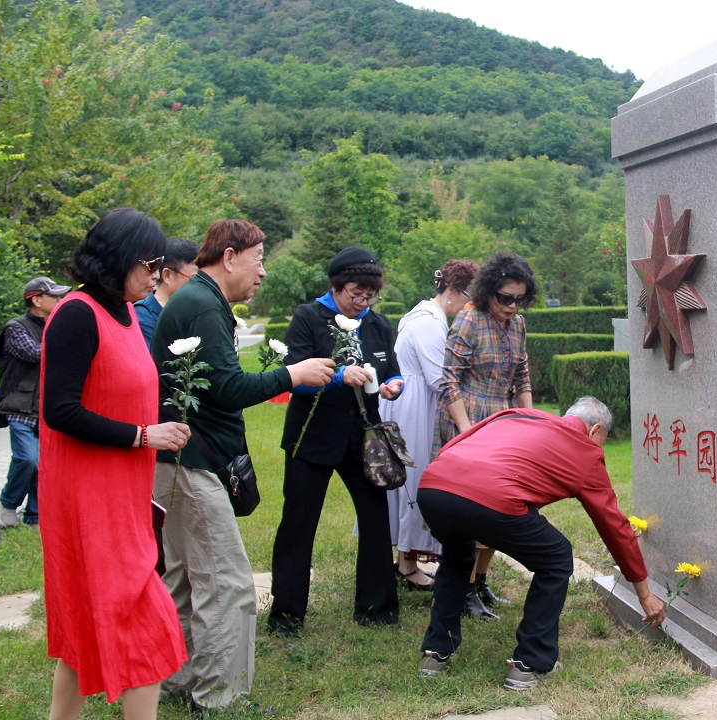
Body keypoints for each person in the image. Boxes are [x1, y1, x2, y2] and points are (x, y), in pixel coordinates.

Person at [150, 219, 335, 715]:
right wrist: (291, 374)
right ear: (229, 257)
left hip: (179, 458)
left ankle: (173, 679)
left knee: (186, 578)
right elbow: (228, 389)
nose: (264, 273)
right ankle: (219, 696)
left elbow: (213, 386)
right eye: (259, 260)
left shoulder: (198, 301)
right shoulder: (204, 305)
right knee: (226, 582)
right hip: (192, 461)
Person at [38, 208, 192, 718]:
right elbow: (60, 411)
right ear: (118, 257)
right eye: (150, 263)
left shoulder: (126, 314)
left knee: (88, 622)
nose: (157, 273)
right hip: (86, 494)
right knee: (146, 618)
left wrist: (164, 424)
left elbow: (123, 392)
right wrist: (143, 436)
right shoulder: (77, 313)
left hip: (123, 492)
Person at [417, 398, 667, 690]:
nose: (601, 449)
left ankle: (435, 653)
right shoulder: (586, 451)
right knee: (558, 557)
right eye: (602, 441)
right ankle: (529, 663)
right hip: (492, 500)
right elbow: (615, 528)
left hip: (434, 486)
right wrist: (644, 592)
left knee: (456, 557)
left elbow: (457, 443)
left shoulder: (517, 414)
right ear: (594, 429)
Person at [268, 246, 404, 635]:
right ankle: (287, 614)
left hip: (364, 437)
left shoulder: (377, 324)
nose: (361, 303)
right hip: (312, 436)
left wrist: (394, 384)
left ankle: (377, 607)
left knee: (376, 518)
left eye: (368, 296)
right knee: (299, 521)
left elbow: (391, 369)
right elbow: (294, 375)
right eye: (354, 295)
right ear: (336, 286)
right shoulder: (309, 318)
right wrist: (338, 375)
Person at [434, 252, 537, 619]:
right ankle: (461, 589)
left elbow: (522, 376)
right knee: (472, 510)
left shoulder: (518, 324)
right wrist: (467, 431)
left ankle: (479, 581)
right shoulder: (469, 319)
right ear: (489, 290)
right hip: (468, 418)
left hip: (503, 421)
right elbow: (448, 380)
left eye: (519, 298)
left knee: (503, 505)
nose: (511, 305)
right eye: (504, 297)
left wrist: (530, 423)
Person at [379, 260, 479, 590]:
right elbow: (440, 378)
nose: (469, 305)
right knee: (414, 480)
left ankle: (406, 559)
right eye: (469, 296)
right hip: (413, 405)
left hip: (419, 401)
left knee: (416, 477)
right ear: (452, 290)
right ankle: (406, 564)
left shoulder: (432, 318)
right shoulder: (426, 323)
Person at [0, 276, 70, 527]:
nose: (60, 301)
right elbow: (34, 353)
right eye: (55, 297)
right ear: (37, 300)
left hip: (46, 407)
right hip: (20, 407)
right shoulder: (15, 327)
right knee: (26, 458)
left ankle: (34, 515)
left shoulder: (55, 325)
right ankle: (9, 503)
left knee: (43, 464)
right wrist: (71, 343)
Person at [133, 238, 199, 348]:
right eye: (194, 278)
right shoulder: (144, 315)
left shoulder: (194, 311)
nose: (199, 285)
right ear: (168, 275)